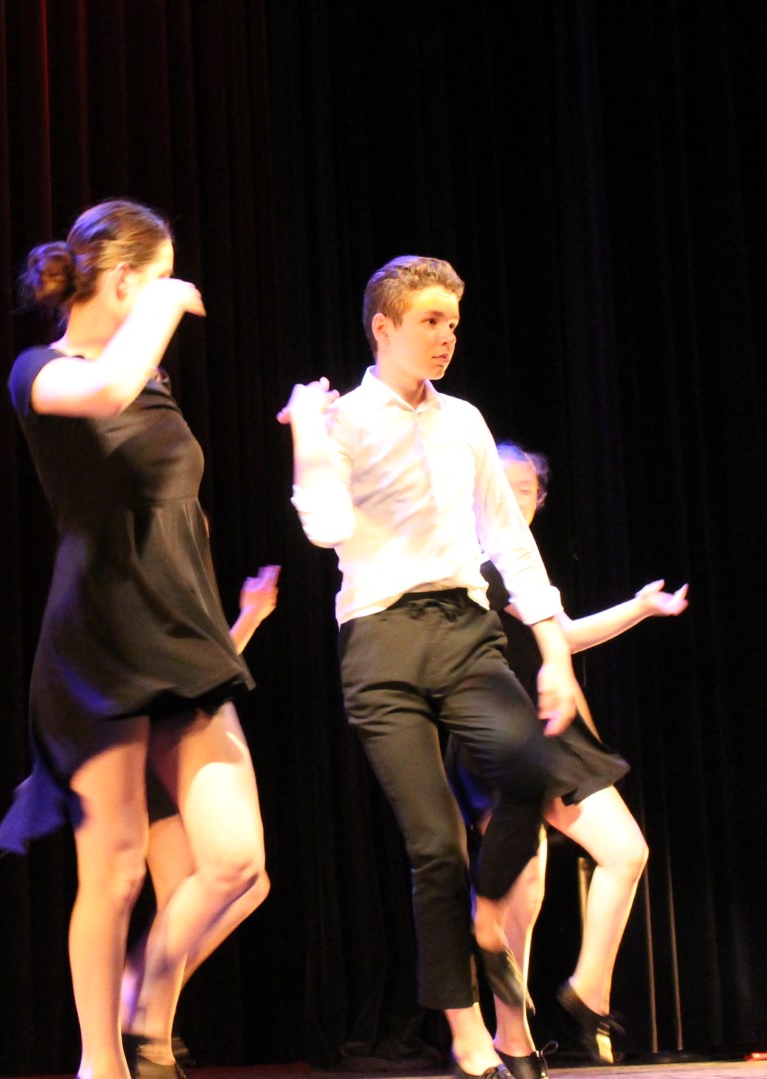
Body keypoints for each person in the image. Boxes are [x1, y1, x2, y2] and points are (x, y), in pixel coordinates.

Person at [282, 255, 579, 1079]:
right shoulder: (341, 420)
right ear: (383, 327)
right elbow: (324, 527)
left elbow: (507, 536)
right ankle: (467, 1033)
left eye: (452, 322)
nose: (446, 336)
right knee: (436, 845)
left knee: (533, 764)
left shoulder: (465, 421)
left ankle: (489, 910)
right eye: (429, 322)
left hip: (464, 627)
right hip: (380, 636)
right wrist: (306, 432)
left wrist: (555, 649)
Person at [0, 200, 267, 1079]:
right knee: (113, 871)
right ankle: (103, 1062)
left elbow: (179, 502)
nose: (174, 292)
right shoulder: (40, 371)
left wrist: (226, 612)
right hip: (98, 643)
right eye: (159, 275)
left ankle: (144, 1000)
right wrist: (167, 300)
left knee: (237, 861)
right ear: (122, 282)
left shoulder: (152, 379)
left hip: (180, 635)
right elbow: (105, 391)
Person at [453, 443, 688, 1076]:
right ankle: (511, 1038)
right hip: (497, 727)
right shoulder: (469, 562)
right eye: (502, 484)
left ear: (539, 500)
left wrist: (640, 607)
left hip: (549, 726)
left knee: (623, 853)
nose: (514, 496)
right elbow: (555, 633)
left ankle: (585, 994)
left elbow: (565, 634)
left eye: (526, 488)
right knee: (521, 888)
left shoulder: (522, 563)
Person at [123, 565, 279, 1069]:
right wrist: (249, 618)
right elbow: (191, 675)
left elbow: (200, 668)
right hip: (171, 725)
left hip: (159, 724)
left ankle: (150, 1026)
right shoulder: (154, 576)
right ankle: (144, 1015)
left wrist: (250, 617)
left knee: (209, 892)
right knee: (236, 873)